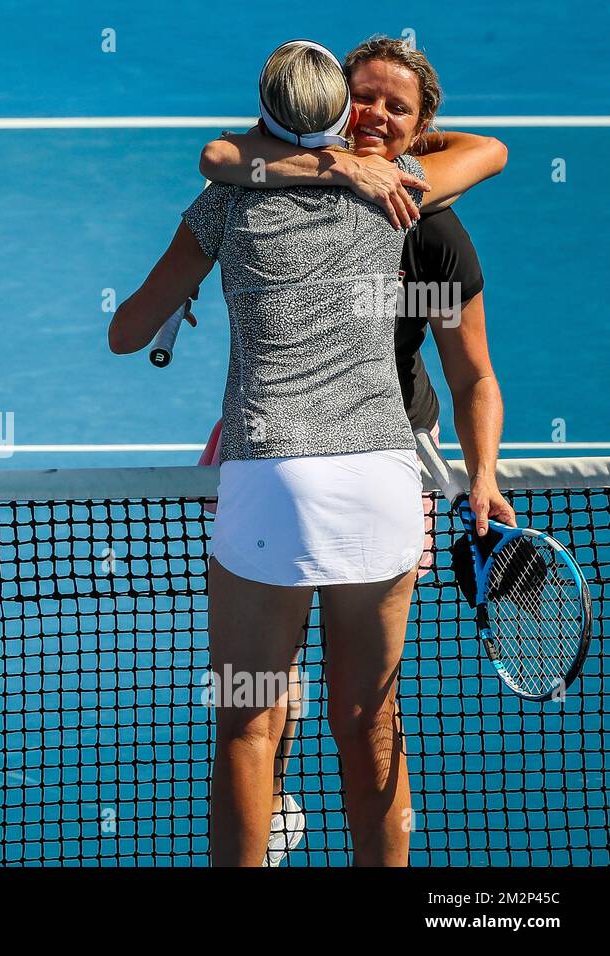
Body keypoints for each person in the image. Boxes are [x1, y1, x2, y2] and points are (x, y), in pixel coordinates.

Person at [108, 39, 502, 866]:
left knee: (249, 723)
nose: (379, 119)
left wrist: (178, 301)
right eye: (366, 101)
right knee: (369, 721)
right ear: (337, 107)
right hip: (383, 485)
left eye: (399, 109)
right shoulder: (410, 198)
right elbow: (490, 153)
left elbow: (127, 331)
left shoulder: (224, 198)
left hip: (271, 484)